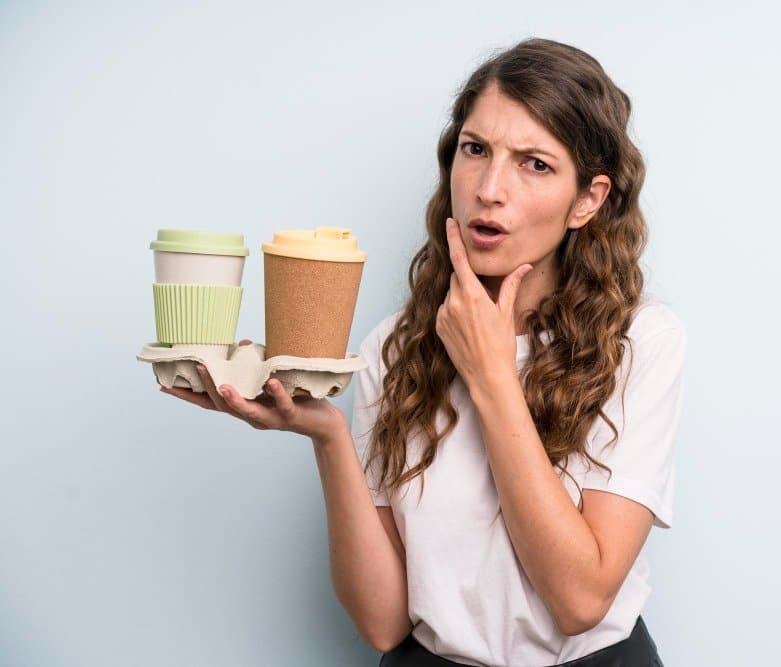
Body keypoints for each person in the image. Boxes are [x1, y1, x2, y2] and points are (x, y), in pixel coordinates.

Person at [162, 37, 686, 667]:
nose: (490, 189)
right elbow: (383, 624)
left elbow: (580, 601)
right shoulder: (395, 346)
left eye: (535, 164)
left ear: (588, 200)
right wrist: (326, 436)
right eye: (476, 150)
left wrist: (492, 372)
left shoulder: (641, 342)